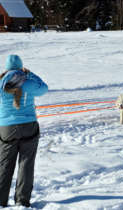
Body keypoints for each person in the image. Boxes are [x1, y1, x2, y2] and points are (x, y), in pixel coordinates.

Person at [0, 55, 48, 208]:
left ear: (7, 67)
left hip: (6, 128)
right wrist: (29, 73)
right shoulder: (28, 81)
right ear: (21, 67)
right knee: (26, 164)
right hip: (29, 125)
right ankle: (22, 200)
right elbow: (44, 88)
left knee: (4, 165)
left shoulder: (1, 82)